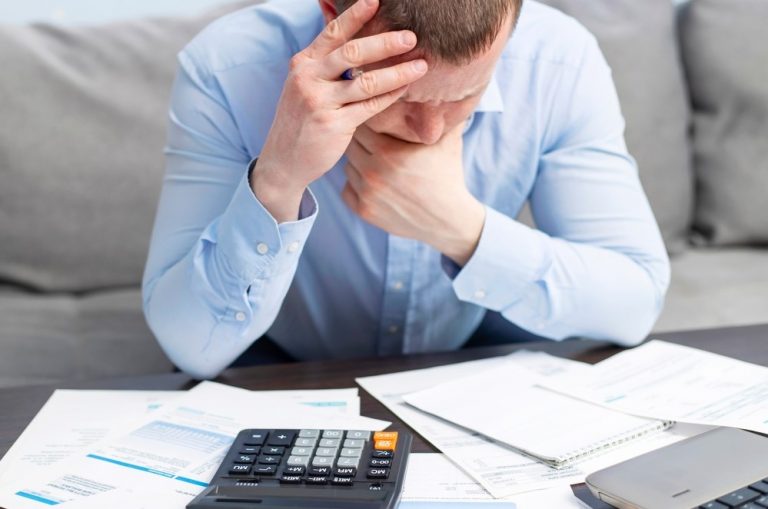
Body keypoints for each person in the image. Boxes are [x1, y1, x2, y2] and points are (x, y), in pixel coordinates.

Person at [142, 0, 670, 379]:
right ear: (335, 19)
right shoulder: (225, 69)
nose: (429, 133)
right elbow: (191, 347)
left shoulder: (559, 62)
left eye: (466, 94)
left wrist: (460, 228)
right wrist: (278, 177)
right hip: (281, 369)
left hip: (472, 367)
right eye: (401, 96)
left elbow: (635, 302)